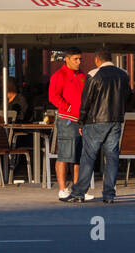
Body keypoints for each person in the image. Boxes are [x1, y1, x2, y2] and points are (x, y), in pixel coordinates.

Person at [63, 47, 130, 204]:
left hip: (96, 120)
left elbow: (86, 100)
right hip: (116, 120)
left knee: (88, 157)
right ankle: (109, 194)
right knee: (112, 157)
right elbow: (127, 96)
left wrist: (81, 120)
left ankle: (79, 193)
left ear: (97, 60)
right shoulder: (124, 75)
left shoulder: (93, 75)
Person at [49, 48, 87, 200]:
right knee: (65, 154)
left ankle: (77, 189)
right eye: (76, 59)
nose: (79, 62)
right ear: (67, 59)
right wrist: (68, 107)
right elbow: (53, 96)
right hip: (66, 119)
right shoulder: (59, 75)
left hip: (81, 120)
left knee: (78, 155)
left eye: (80, 59)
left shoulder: (83, 75)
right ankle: (62, 188)